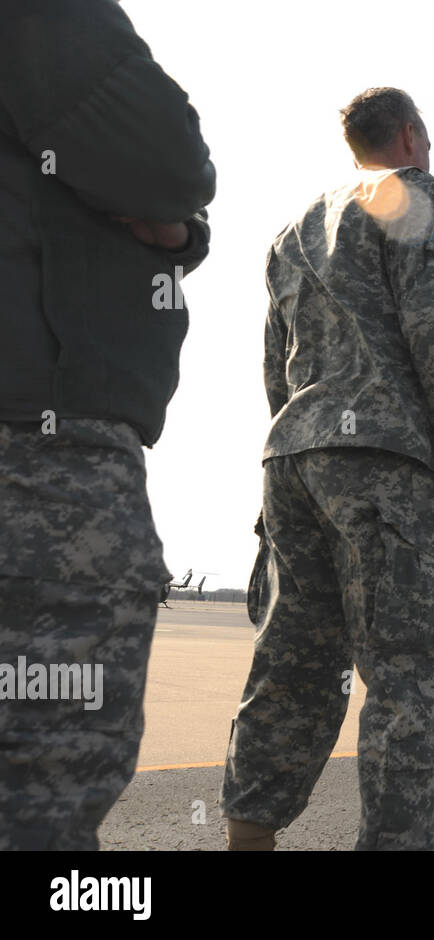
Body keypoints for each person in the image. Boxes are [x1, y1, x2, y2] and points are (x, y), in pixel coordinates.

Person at [221, 87, 434, 851]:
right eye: (427, 143)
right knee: (407, 677)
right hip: (382, 460)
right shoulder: (413, 193)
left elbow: (275, 364)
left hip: (294, 458)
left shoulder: (291, 230)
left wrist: (294, 442)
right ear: (409, 135)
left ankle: (247, 838)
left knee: (291, 663)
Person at [0, 0, 215, 850]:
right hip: (40, 445)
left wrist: (178, 230)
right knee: (42, 800)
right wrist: (179, 225)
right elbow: (164, 163)